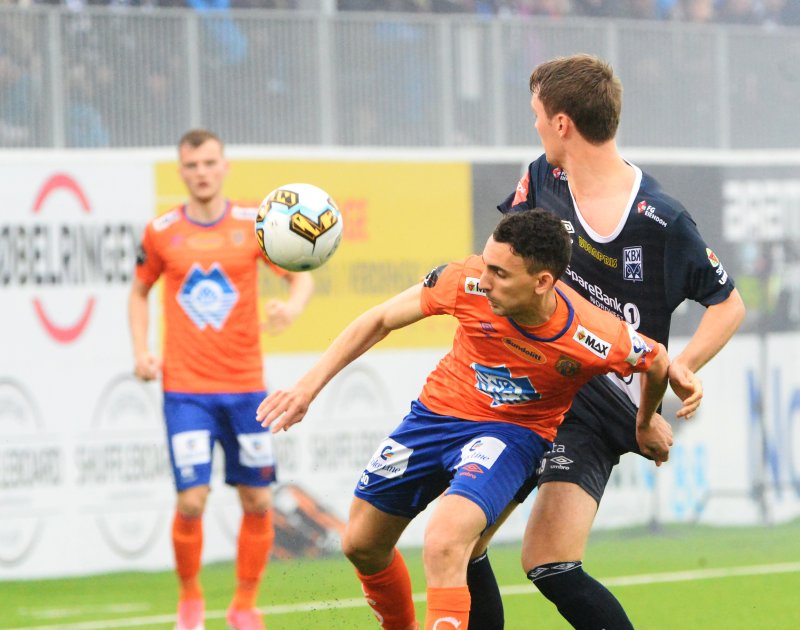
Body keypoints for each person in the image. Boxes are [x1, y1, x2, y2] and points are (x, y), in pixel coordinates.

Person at [256, 209, 699, 629]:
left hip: (514, 435)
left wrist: (644, 423)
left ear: (542, 281)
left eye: (500, 274)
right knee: (361, 545)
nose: (483, 281)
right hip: (434, 418)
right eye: (485, 264)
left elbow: (655, 361)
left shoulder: (592, 334)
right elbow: (379, 319)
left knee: (446, 542)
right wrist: (306, 389)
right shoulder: (465, 281)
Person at [465, 54, 745, 629]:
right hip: (536, 381)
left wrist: (683, 367)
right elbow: (499, 262)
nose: (535, 125)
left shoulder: (661, 219)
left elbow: (728, 303)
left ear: (563, 123)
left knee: (544, 562)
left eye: (537, 114)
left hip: (605, 403)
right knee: (466, 545)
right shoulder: (542, 179)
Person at [128, 128, 314, 630]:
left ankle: (244, 605)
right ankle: (190, 599)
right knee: (191, 498)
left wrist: (291, 308)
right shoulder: (161, 231)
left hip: (246, 388)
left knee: (256, 497)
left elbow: (301, 273)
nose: (202, 172)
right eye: (192, 165)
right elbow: (139, 292)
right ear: (181, 171)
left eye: (210, 162)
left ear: (224, 165)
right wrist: (142, 352)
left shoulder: (253, 224)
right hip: (185, 390)